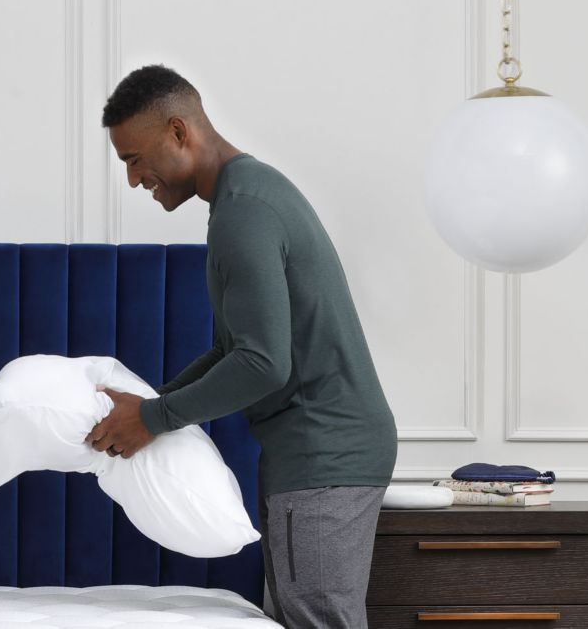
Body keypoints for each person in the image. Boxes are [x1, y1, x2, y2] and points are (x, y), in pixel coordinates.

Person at [84, 65, 398, 628]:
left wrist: (154, 417)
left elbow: (261, 364)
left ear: (179, 132)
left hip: (324, 455)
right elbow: (236, 348)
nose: (133, 179)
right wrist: (145, 405)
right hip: (317, 455)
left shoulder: (244, 213)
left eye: (134, 159)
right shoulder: (244, 197)